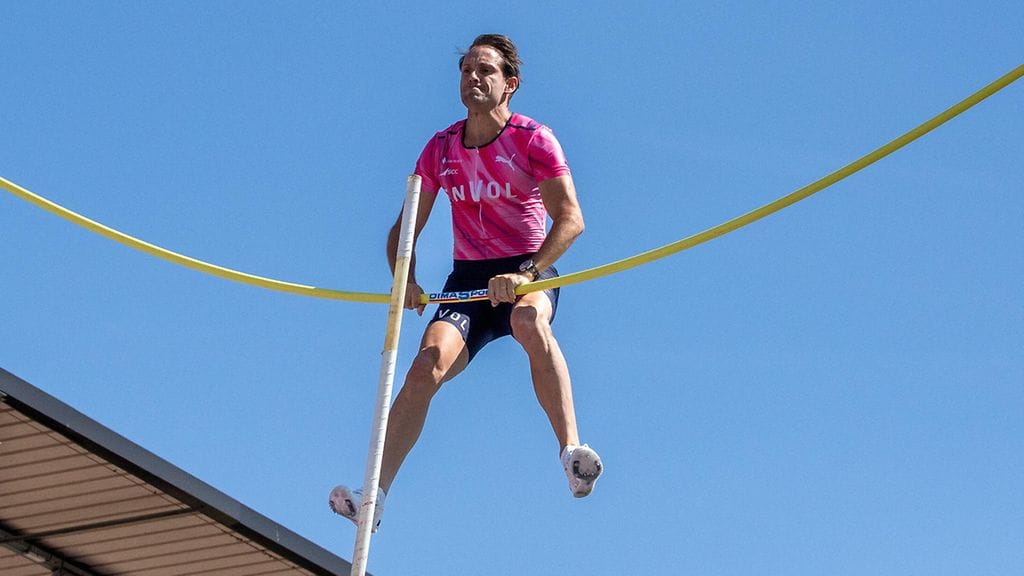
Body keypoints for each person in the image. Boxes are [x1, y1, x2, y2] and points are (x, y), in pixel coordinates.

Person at [330, 34, 601, 532]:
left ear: (509, 84)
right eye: (466, 69)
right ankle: (374, 497)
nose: (473, 77)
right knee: (424, 367)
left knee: (528, 321)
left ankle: (571, 452)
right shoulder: (441, 148)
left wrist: (526, 274)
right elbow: (402, 230)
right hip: (468, 279)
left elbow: (571, 220)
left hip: (526, 268)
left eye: (486, 70)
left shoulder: (533, 139)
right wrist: (405, 279)